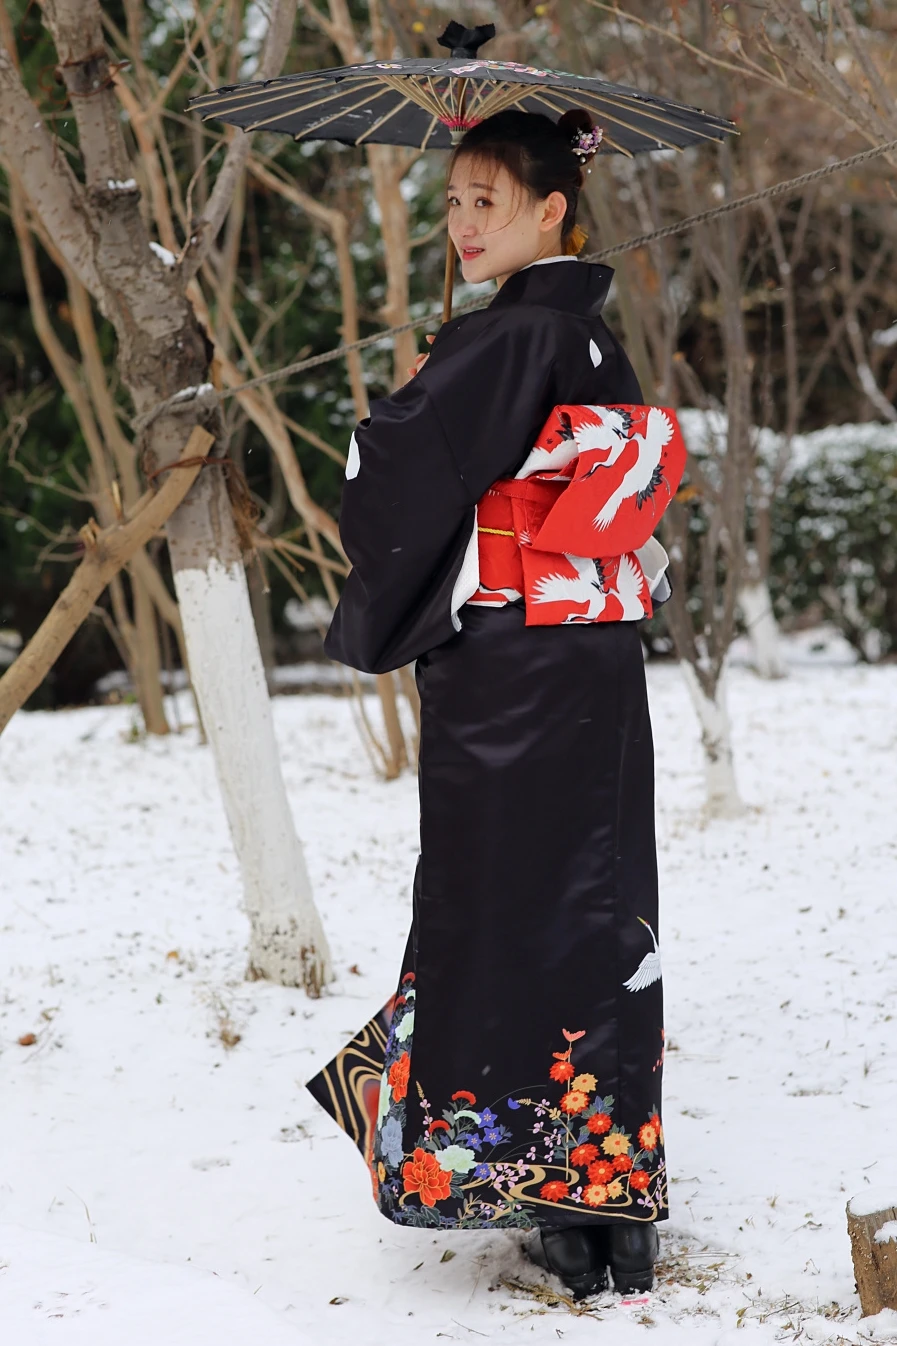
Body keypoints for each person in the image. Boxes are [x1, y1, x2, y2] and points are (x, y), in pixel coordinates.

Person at [306, 107, 685, 1298]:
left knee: (497, 903)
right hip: (596, 658)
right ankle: (611, 1199)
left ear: (551, 209)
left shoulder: (512, 335)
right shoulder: (584, 335)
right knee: (600, 905)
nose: (464, 224)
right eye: (455, 202)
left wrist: (410, 398)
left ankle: (540, 1194)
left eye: (488, 201)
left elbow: (391, 469)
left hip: (511, 665)